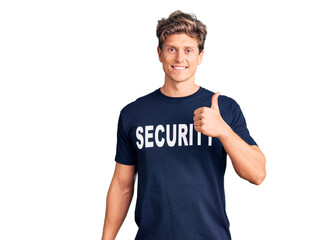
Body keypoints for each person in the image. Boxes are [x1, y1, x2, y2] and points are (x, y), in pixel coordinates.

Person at [101, 10, 266, 240]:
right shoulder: (133, 114)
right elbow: (122, 185)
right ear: (159, 54)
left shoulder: (224, 109)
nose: (180, 58)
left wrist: (223, 132)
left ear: (200, 55)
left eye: (188, 50)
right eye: (172, 49)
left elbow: (257, 174)